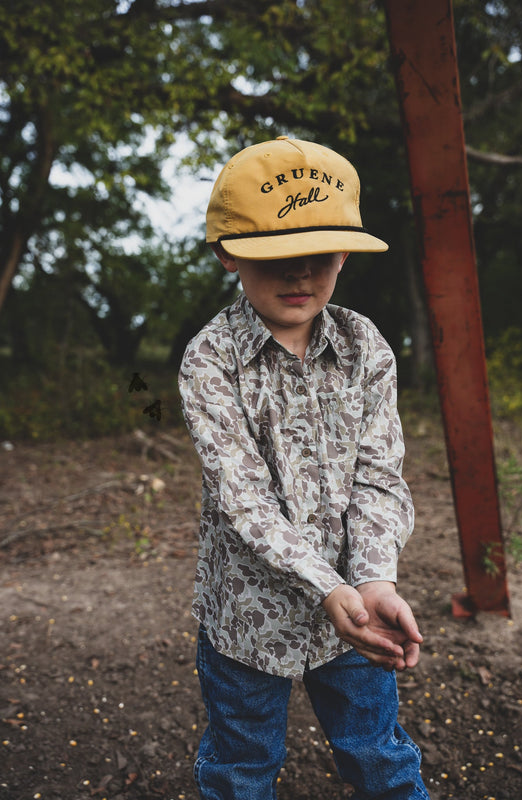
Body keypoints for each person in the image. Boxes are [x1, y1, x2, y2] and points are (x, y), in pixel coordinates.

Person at [178, 136, 430, 800]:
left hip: (355, 616)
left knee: (380, 756)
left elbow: (379, 474)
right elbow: (244, 498)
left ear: (343, 251)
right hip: (246, 618)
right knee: (240, 765)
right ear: (228, 254)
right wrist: (323, 585)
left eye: (317, 255)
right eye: (277, 257)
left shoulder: (363, 346)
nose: (299, 274)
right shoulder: (210, 361)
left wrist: (372, 579)